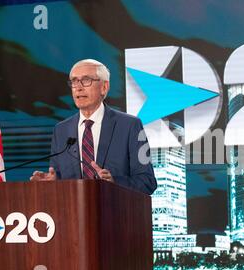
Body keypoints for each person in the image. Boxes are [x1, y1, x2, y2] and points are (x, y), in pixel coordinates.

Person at [30, 59, 157, 195]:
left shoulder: (130, 126)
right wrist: (53, 183)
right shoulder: (61, 130)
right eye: (74, 81)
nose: (78, 87)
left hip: (116, 211)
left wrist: (114, 182)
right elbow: (60, 179)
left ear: (104, 87)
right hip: (74, 214)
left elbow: (147, 181)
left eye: (86, 80)